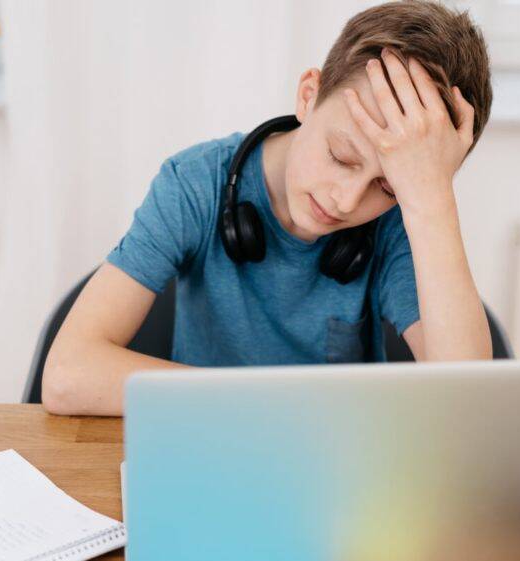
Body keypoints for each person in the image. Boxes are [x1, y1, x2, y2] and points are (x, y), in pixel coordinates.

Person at [43, 0, 494, 416]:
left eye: (387, 186)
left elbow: (468, 409)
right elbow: (66, 377)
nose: (346, 199)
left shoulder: (401, 220)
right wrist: (266, 407)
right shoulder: (195, 183)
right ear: (308, 95)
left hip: (339, 465)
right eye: (340, 155)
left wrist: (430, 198)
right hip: (209, 437)